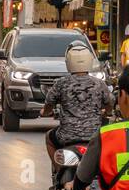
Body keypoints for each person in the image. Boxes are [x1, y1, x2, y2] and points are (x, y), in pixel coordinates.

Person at [41, 43, 114, 172]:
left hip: (66, 136)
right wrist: (106, 112)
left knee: (48, 137)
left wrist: (45, 112)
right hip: (95, 135)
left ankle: (58, 171)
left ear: (68, 61)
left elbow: (48, 104)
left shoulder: (61, 84)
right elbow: (109, 104)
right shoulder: (99, 83)